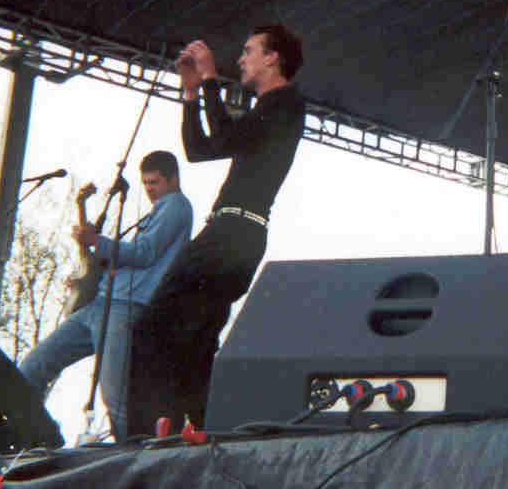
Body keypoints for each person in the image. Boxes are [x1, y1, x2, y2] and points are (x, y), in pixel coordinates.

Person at [126, 24, 305, 436]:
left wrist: (209, 78)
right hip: (238, 235)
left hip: (232, 232)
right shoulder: (267, 110)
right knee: (198, 339)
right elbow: (200, 150)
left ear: (272, 58)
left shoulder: (285, 103)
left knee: (152, 326)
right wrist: (191, 94)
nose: (240, 59)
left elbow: (222, 135)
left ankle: (143, 436)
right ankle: (198, 432)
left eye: (248, 50)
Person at [19, 151, 193, 441]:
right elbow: (126, 257)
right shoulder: (158, 210)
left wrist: (96, 241)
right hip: (101, 303)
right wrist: (92, 260)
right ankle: (37, 437)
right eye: (145, 183)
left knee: (115, 396)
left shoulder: (175, 205)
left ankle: (130, 456)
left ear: (173, 179)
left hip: (125, 307)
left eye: (155, 182)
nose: (149, 189)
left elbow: (145, 253)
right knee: (34, 364)